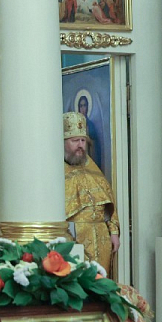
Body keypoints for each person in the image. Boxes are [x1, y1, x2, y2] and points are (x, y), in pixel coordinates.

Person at [63, 112, 120, 272]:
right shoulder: (56, 172)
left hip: (102, 239)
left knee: (101, 281)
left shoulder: (93, 169)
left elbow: (109, 204)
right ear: (63, 142)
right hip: (74, 238)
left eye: (83, 140)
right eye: (75, 140)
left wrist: (114, 232)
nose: (80, 145)